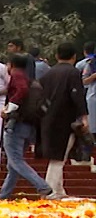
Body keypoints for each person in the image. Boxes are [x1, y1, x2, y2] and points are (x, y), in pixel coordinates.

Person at [0, 54, 53, 199]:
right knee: (12, 166)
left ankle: (42, 185)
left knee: (16, 160)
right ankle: (2, 196)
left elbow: (21, 91)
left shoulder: (17, 76)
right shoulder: (29, 79)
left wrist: (8, 109)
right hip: (28, 125)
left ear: (11, 64)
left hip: (16, 124)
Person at [38, 43, 88, 198]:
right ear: (74, 57)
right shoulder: (73, 73)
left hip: (46, 119)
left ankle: (59, 190)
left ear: (56, 56)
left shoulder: (47, 74)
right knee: (59, 157)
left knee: (57, 155)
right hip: (65, 120)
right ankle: (50, 190)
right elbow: (77, 96)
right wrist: (84, 117)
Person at [81, 41, 96, 163]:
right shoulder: (90, 64)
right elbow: (84, 80)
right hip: (93, 99)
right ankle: (86, 154)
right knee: (91, 128)